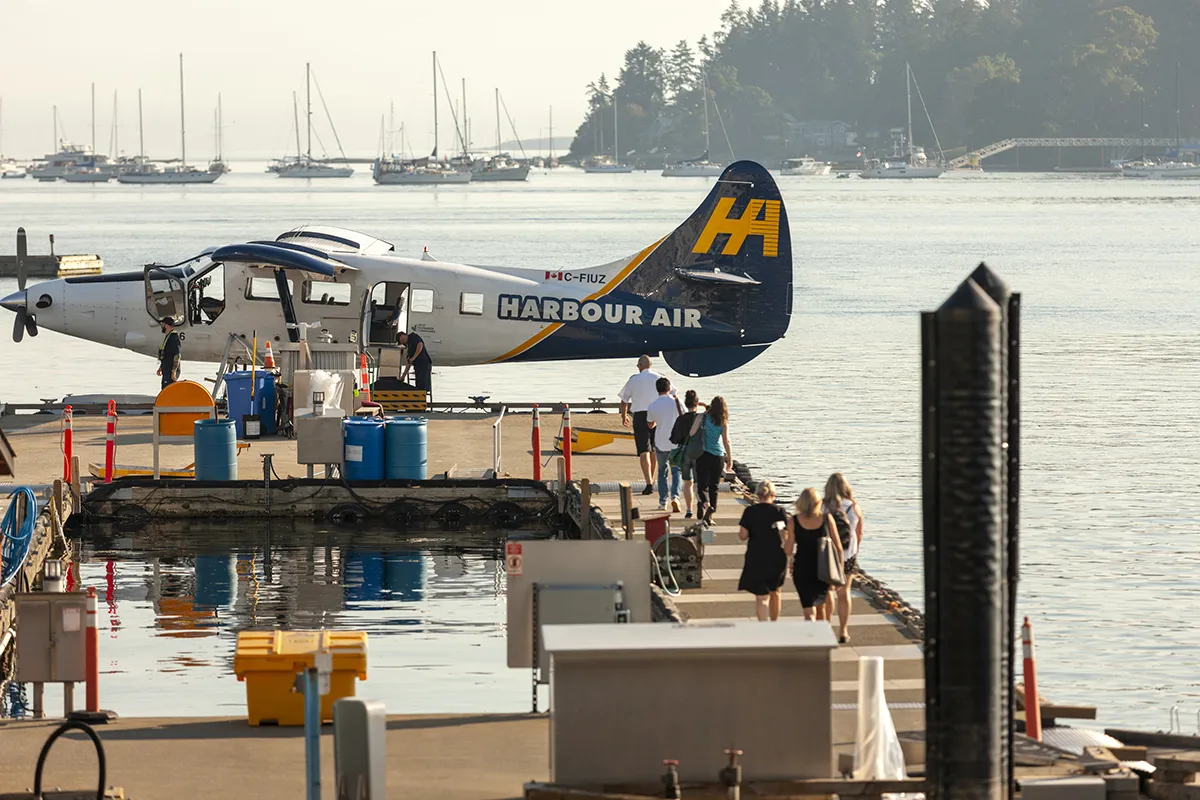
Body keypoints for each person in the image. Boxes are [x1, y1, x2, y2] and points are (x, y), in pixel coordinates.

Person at [737, 480, 789, 622]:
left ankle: (763, 625)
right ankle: (774, 623)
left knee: (761, 597)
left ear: (757, 495)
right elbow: (786, 536)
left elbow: (743, 536)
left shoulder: (750, 512)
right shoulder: (779, 511)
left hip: (756, 556)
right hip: (776, 557)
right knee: (776, 592)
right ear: (773, 494)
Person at [787, 487, 841, 623]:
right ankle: (823, 634)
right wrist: (839, 572)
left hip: (802, 570)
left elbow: (788, 550)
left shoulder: (794, 521)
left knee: (808, 609)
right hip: (822, 570)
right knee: (821, 608)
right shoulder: (826, 519)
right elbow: (838, 548)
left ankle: (811, 632)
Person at [823, 473, 863, 643]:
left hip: (829, 554)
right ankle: (843, 631)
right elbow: (859, 532)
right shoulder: (853, 506)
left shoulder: (824, 506)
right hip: (849, 554)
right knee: (844, 592)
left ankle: (826, 627)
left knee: (828, 592)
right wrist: (856, 550)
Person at [618, 355, 664, 495]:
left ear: (640, 365)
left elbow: (624, 400)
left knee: (644, 450)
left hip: (640, 416)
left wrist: (624, 415)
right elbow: (673, 393)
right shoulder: (659, 377)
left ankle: (648, 482)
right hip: (657, 413)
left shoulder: (634, 380)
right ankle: (652, 479)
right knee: (655, 449)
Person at [689, 395, 731, 526]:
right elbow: (726, 441)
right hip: (718, 456)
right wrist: (730, 458)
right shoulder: (723, 422)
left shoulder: (702, 417)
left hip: (703, 454)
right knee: (714, 487)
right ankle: (711, 517)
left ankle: (707, 507)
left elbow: (691, 433)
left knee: (701, 487)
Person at [645, 377, 683, 512]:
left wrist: (657, 421)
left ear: (657, 389)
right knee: (676, 470)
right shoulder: (676, 402)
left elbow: (650, 424)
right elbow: (684, 416)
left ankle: (662, 502)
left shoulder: (653, 405)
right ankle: (675, 497)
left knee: (662, 472)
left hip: (660, 442)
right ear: (669, 388)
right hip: (676, 443)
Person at [668, 390, 704, 518]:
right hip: (699, 453)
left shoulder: (681, 419)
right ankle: (700, 503)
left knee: (687, 482)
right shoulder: (701, 418)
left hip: (685, 454)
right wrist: (705, 406)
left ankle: (689, 509)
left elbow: (674, 438)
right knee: (698, 482)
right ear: (697, 403)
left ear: (686, 403)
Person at [156, 317, 181, 390]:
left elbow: (177, 355)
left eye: (163, 324)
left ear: (166, 325)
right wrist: (161, 367)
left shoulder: (173, 338)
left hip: (170, 370)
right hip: (166, 369)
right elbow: (166, 355)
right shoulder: (168, 337)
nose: (162, 326)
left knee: (168, 389)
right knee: (165, 388)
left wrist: (174, 371)